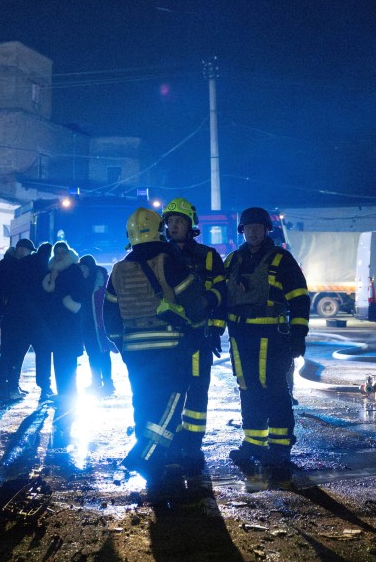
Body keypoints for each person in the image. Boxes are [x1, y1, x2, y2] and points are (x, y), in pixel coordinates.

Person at [104, 208, 210, 479]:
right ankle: (146, 454)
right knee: (173, 401)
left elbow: (110, 316)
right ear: (159, 230)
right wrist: (198, 330)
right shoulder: (169, 259)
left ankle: (157, 456)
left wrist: (122, 346)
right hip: (170, 345)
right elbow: (194, 300)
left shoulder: (118, 268)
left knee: (144, 400)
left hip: (135, 351)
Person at [223, 207, 310, 470]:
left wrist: (298, 333)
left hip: (272, 336)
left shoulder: (282, 259)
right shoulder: (232, 261)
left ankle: (280, 446)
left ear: (266, 229)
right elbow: (220, 297)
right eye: (248, 227)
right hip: (240, 336)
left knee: (273, 389)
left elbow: (299, 298)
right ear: (242, 231)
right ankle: (253, 442)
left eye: (258, 227)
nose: (253, 231)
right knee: (247, 387)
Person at [162, 197, 228, 470]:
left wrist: (214, 331)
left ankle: (193, 441)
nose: (173, 226)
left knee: (198, 389)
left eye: (179, 221)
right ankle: (170, 438)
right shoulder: (160, 255)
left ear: (190, 225)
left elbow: (221, 293)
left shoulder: (207, 256)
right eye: (170, 222)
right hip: (167, 338)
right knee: (169, 388)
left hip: (198, 335)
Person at [41, 241, 85, 440]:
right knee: (60, 360)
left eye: (62, 252)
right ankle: (64, 394)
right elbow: (48, 292)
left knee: (68, 361)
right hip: (56, 325)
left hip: (68, 322)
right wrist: (52, 279)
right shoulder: (52, 270)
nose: (59, 255)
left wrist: (69, 303)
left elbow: (80, 293)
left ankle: (69, 395)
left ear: (67, 252)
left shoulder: (73, 269)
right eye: (56, 252)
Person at [0, 238, 36, 401]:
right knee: (17, 350)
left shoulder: (2, 265)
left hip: (7, 316)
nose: (29, 255)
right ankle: (12, 387)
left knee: (8, 350)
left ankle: (5, 387)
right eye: (28, 252)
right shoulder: (15, 267)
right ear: (21, 250)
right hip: (15, 316)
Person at [79, 254, 115, 396]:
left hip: (100, 324)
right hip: (87, 324)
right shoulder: (81, 282)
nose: (83, 271)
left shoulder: (101, 281)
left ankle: (108, 382)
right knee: (92, 354)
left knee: (103, 352)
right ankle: (96, 381)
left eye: (84, 267)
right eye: (81, 268)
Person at [25, 242, 55, 401]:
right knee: (44, 353)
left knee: (18, 352)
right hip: (42, 318)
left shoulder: (27, 265)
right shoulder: (45, 267)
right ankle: (45, 385)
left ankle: (10, 384)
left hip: (26, 317)